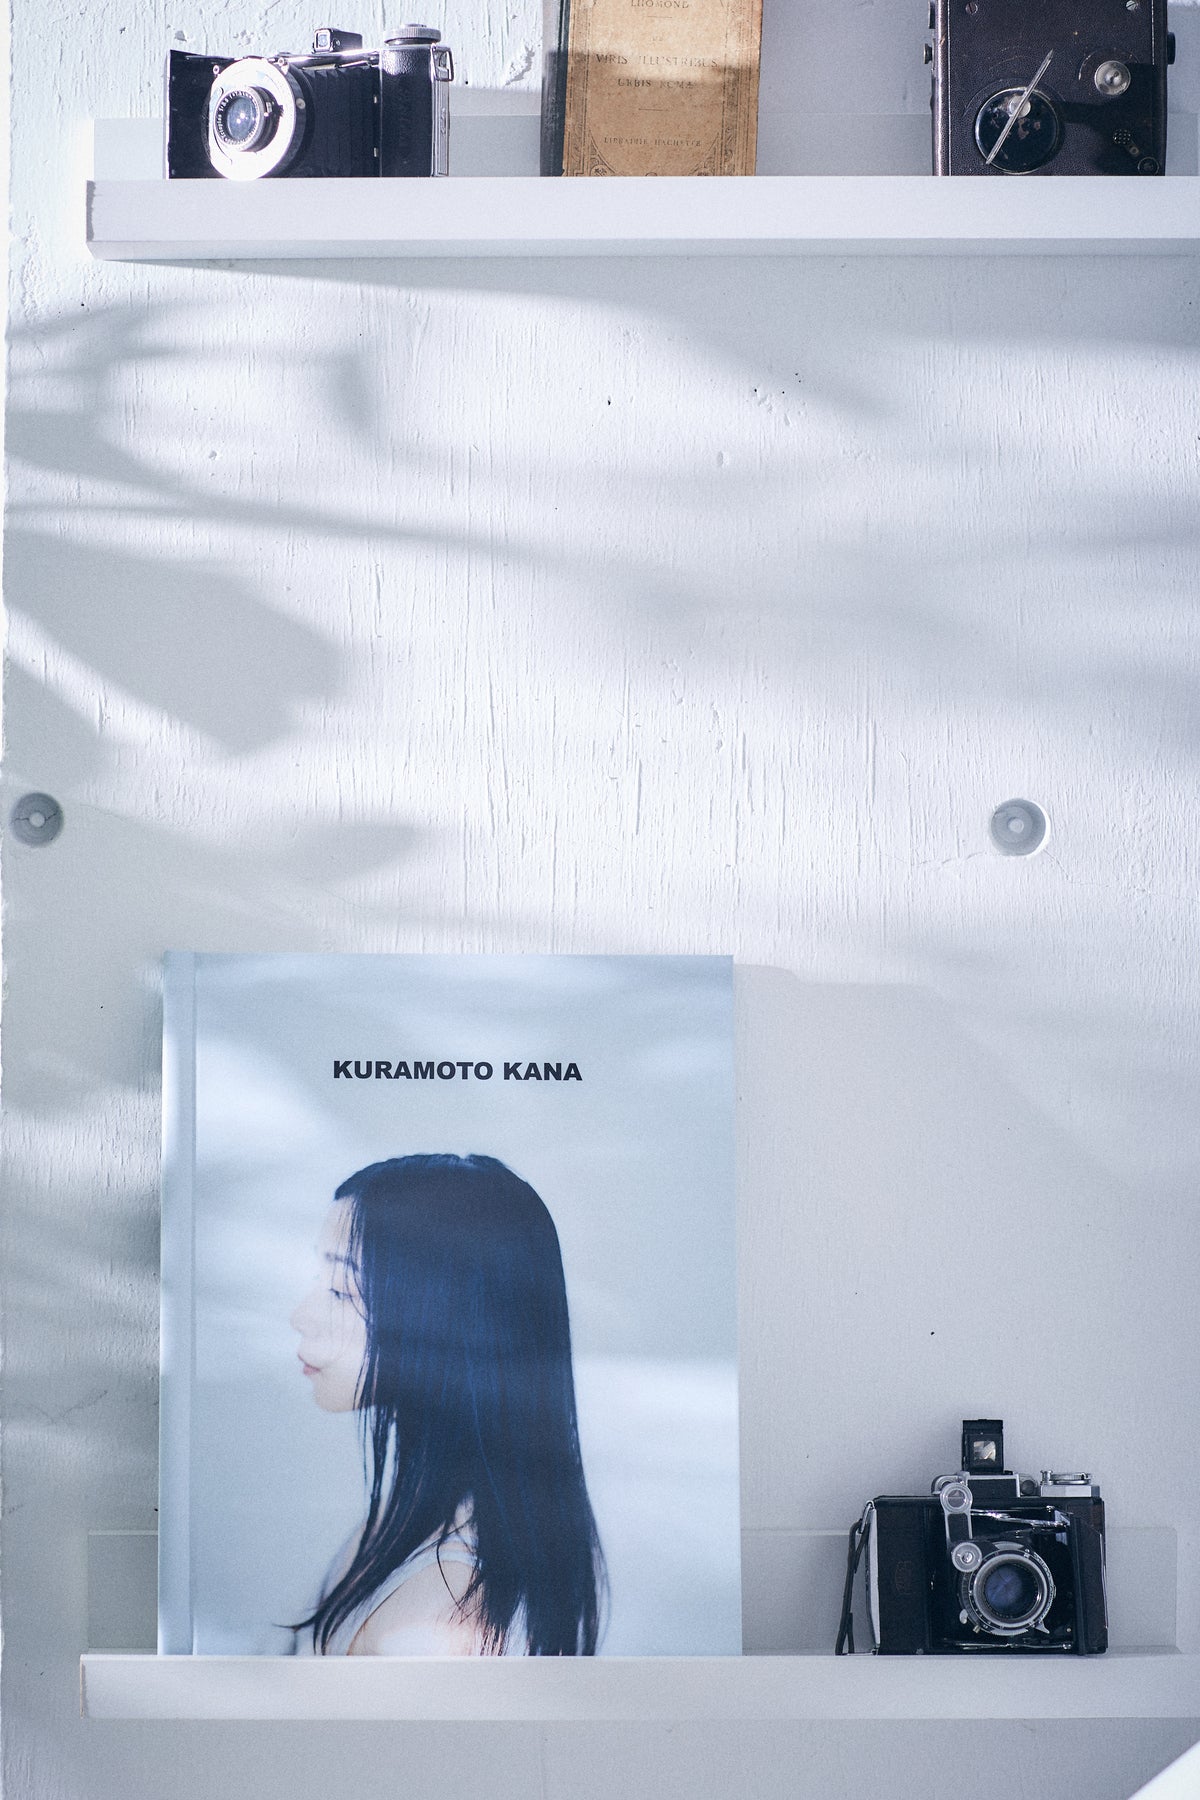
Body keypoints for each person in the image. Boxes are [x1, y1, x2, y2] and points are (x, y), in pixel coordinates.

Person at [289, 1153, 605, 1656]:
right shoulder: (410, 1530)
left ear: (445, 1318)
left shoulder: (437, 1616)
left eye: (341, 1290)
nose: (301, 1316)